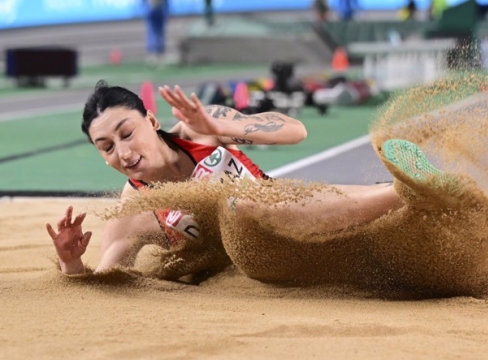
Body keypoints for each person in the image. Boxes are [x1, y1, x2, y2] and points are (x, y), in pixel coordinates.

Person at [46, 81, 427, 277]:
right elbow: (110, 278)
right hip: (264, 266)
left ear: (151, 121)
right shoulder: (136, 208)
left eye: (126, 134)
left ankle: (420, 195)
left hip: (308, 216)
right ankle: (404, 192)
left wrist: (216, 125)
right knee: (240, 206)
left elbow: (296, 132)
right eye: (106, 147)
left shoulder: (200, 129)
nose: (123, 154)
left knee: (297, 196)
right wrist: (71, 263)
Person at [143, 0, 169, 66]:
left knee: (157, 33)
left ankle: (158, 55)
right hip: (154, 10)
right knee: (154, 33)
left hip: (159, 10)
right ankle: (154, 55)